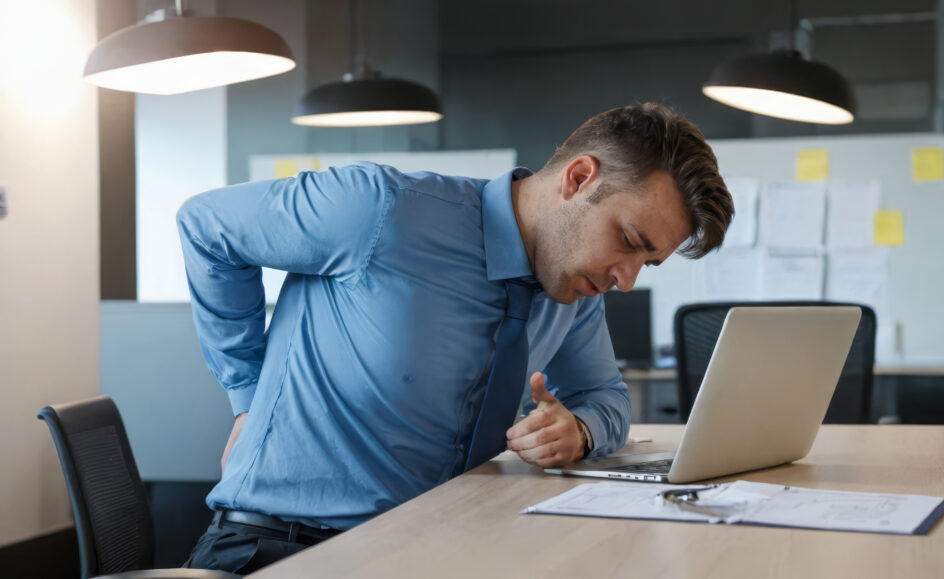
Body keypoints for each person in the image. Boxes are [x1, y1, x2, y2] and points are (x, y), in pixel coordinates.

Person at [178, 102, 733, 573]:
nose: (627, 279)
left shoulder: (574, 292)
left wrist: (579, 430)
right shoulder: (378, 209)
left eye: (648, 262)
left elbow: (606, 398)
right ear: (579, 178)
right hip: (287, 546)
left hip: (438, 550)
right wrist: (247, 399)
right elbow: (206, 226)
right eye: (629, 241)